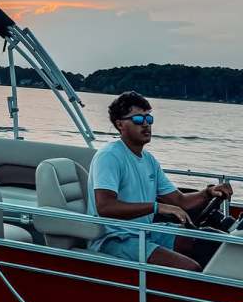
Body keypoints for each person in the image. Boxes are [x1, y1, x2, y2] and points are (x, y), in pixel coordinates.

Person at [87, 90, 233, 271]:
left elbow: (180, 201)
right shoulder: (109, 156)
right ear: (120, 124)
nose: (146, 125)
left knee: (214, 242)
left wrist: (208, 192)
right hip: (114, 238)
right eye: (138, 120)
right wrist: (157, 206)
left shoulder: (148, 160)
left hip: (146, 232)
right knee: (191, 268)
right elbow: (105, 207)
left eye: (149, 119)